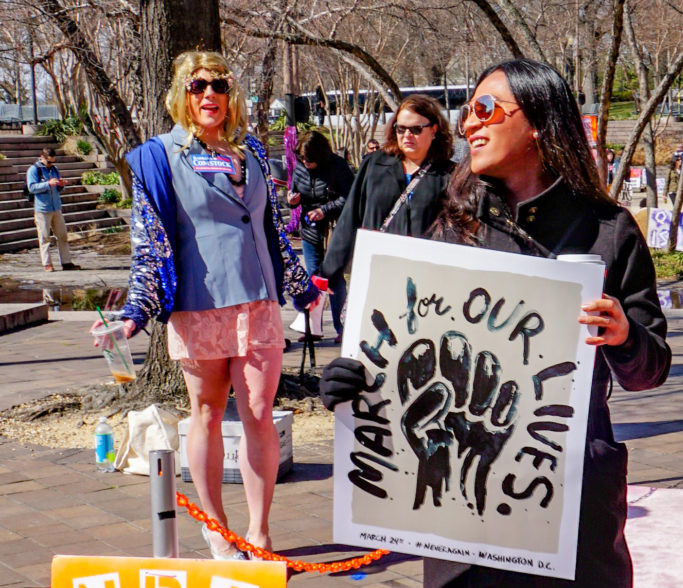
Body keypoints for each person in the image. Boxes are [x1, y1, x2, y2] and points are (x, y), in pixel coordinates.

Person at [318, 59, 671, 588]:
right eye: (464, 111)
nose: (465, 124)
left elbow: (652, 368)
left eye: (483, 109)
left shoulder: (607, 232)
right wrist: (351, 381)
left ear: (538, 123)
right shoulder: (441, 221)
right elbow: (388, 341)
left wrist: (627, 336)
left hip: (569, 484)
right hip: (458, 489)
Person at [117, 50, 315, 557]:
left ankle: (260, 531)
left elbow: (273, 231)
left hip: (259, 302)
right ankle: (218, 530)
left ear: (232, 97)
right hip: (200, 304)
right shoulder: (158, 156)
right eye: (198, 86)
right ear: (182, 95)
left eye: (220, 87)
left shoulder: (250, 152)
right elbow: (149, 240)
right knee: (205, 411)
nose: (210, 95)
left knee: (258, 411)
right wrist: (136, 311)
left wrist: (303, 287)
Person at [323, 94, 455, 285]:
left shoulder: (449, 175)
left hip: (425, 282)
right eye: (401, 129)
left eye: (416, 129)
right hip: (376, 274)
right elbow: (350, 217)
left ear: (434, 130)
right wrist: (328, 273)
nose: (407, 135)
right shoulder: (375, 165)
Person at [287, 130, 354, 338]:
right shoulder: (300, 167)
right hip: (309, 229)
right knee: (312, 278)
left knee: (334, 278)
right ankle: (312, 328)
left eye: (310, 160)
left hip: (333, 230)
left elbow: (349, 197)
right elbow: (294, 191)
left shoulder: (337, 166)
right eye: (302, 159)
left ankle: (343, 328)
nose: (305, 163)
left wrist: (324, 210)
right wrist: (292, 200)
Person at [26, 146, 79, 273]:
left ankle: (66, 262)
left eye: (53, 161)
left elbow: (57, 188)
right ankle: (47, 264)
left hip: (56, 207)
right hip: (42, 209)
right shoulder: (34, 170)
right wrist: (48, 184)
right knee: (44, 237)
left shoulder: (54, 169)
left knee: (62, 235)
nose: (51, 164)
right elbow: (32, 188)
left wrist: (61, 185)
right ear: (42, 158)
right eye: (49, 162)